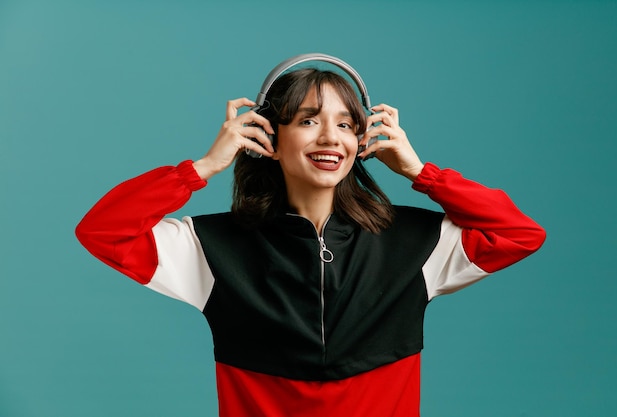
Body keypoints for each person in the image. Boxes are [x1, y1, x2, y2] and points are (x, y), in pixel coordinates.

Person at [76, 63, 546, 417]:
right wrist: (201, 168)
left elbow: (519, 233)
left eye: (346, 124)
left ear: (362, 142)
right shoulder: (210, 247)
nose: (330, 138)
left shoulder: (418, 242)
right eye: (307, 120)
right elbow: (103, 231)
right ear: (268, 137)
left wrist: (422, 174)